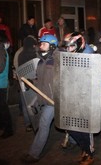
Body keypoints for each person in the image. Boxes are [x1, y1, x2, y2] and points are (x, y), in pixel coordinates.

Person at [20, 34, 59, 163]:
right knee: (62, 123)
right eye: (40, 43)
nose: (40, 45)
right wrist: (32, 81)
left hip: (53, 100)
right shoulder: (42, 61)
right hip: (43, 98)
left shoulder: (58, 60)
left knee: (43, 124)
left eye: (43, 43)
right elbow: (41, 81)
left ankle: (34, 154)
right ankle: (72, 140)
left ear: (52, 45)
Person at [63, 32, 96, 165]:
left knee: (83, 127)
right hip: (73, 96)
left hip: (85, 97)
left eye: (70, 47)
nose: (68, 50)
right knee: (72, 127)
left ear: (78, 44)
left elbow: (99, 79)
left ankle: (88, 153)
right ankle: (84, 149)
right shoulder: (72, 56)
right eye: (67, 47)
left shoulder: (88, 56)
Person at [15, 35, 39, 132]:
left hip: (23, 82)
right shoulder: (34, 54)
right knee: (34, 102)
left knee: (26, 103)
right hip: (33, 81)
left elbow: (17, 67)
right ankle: (36, 121)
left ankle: (28, 123)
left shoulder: (20, 54)